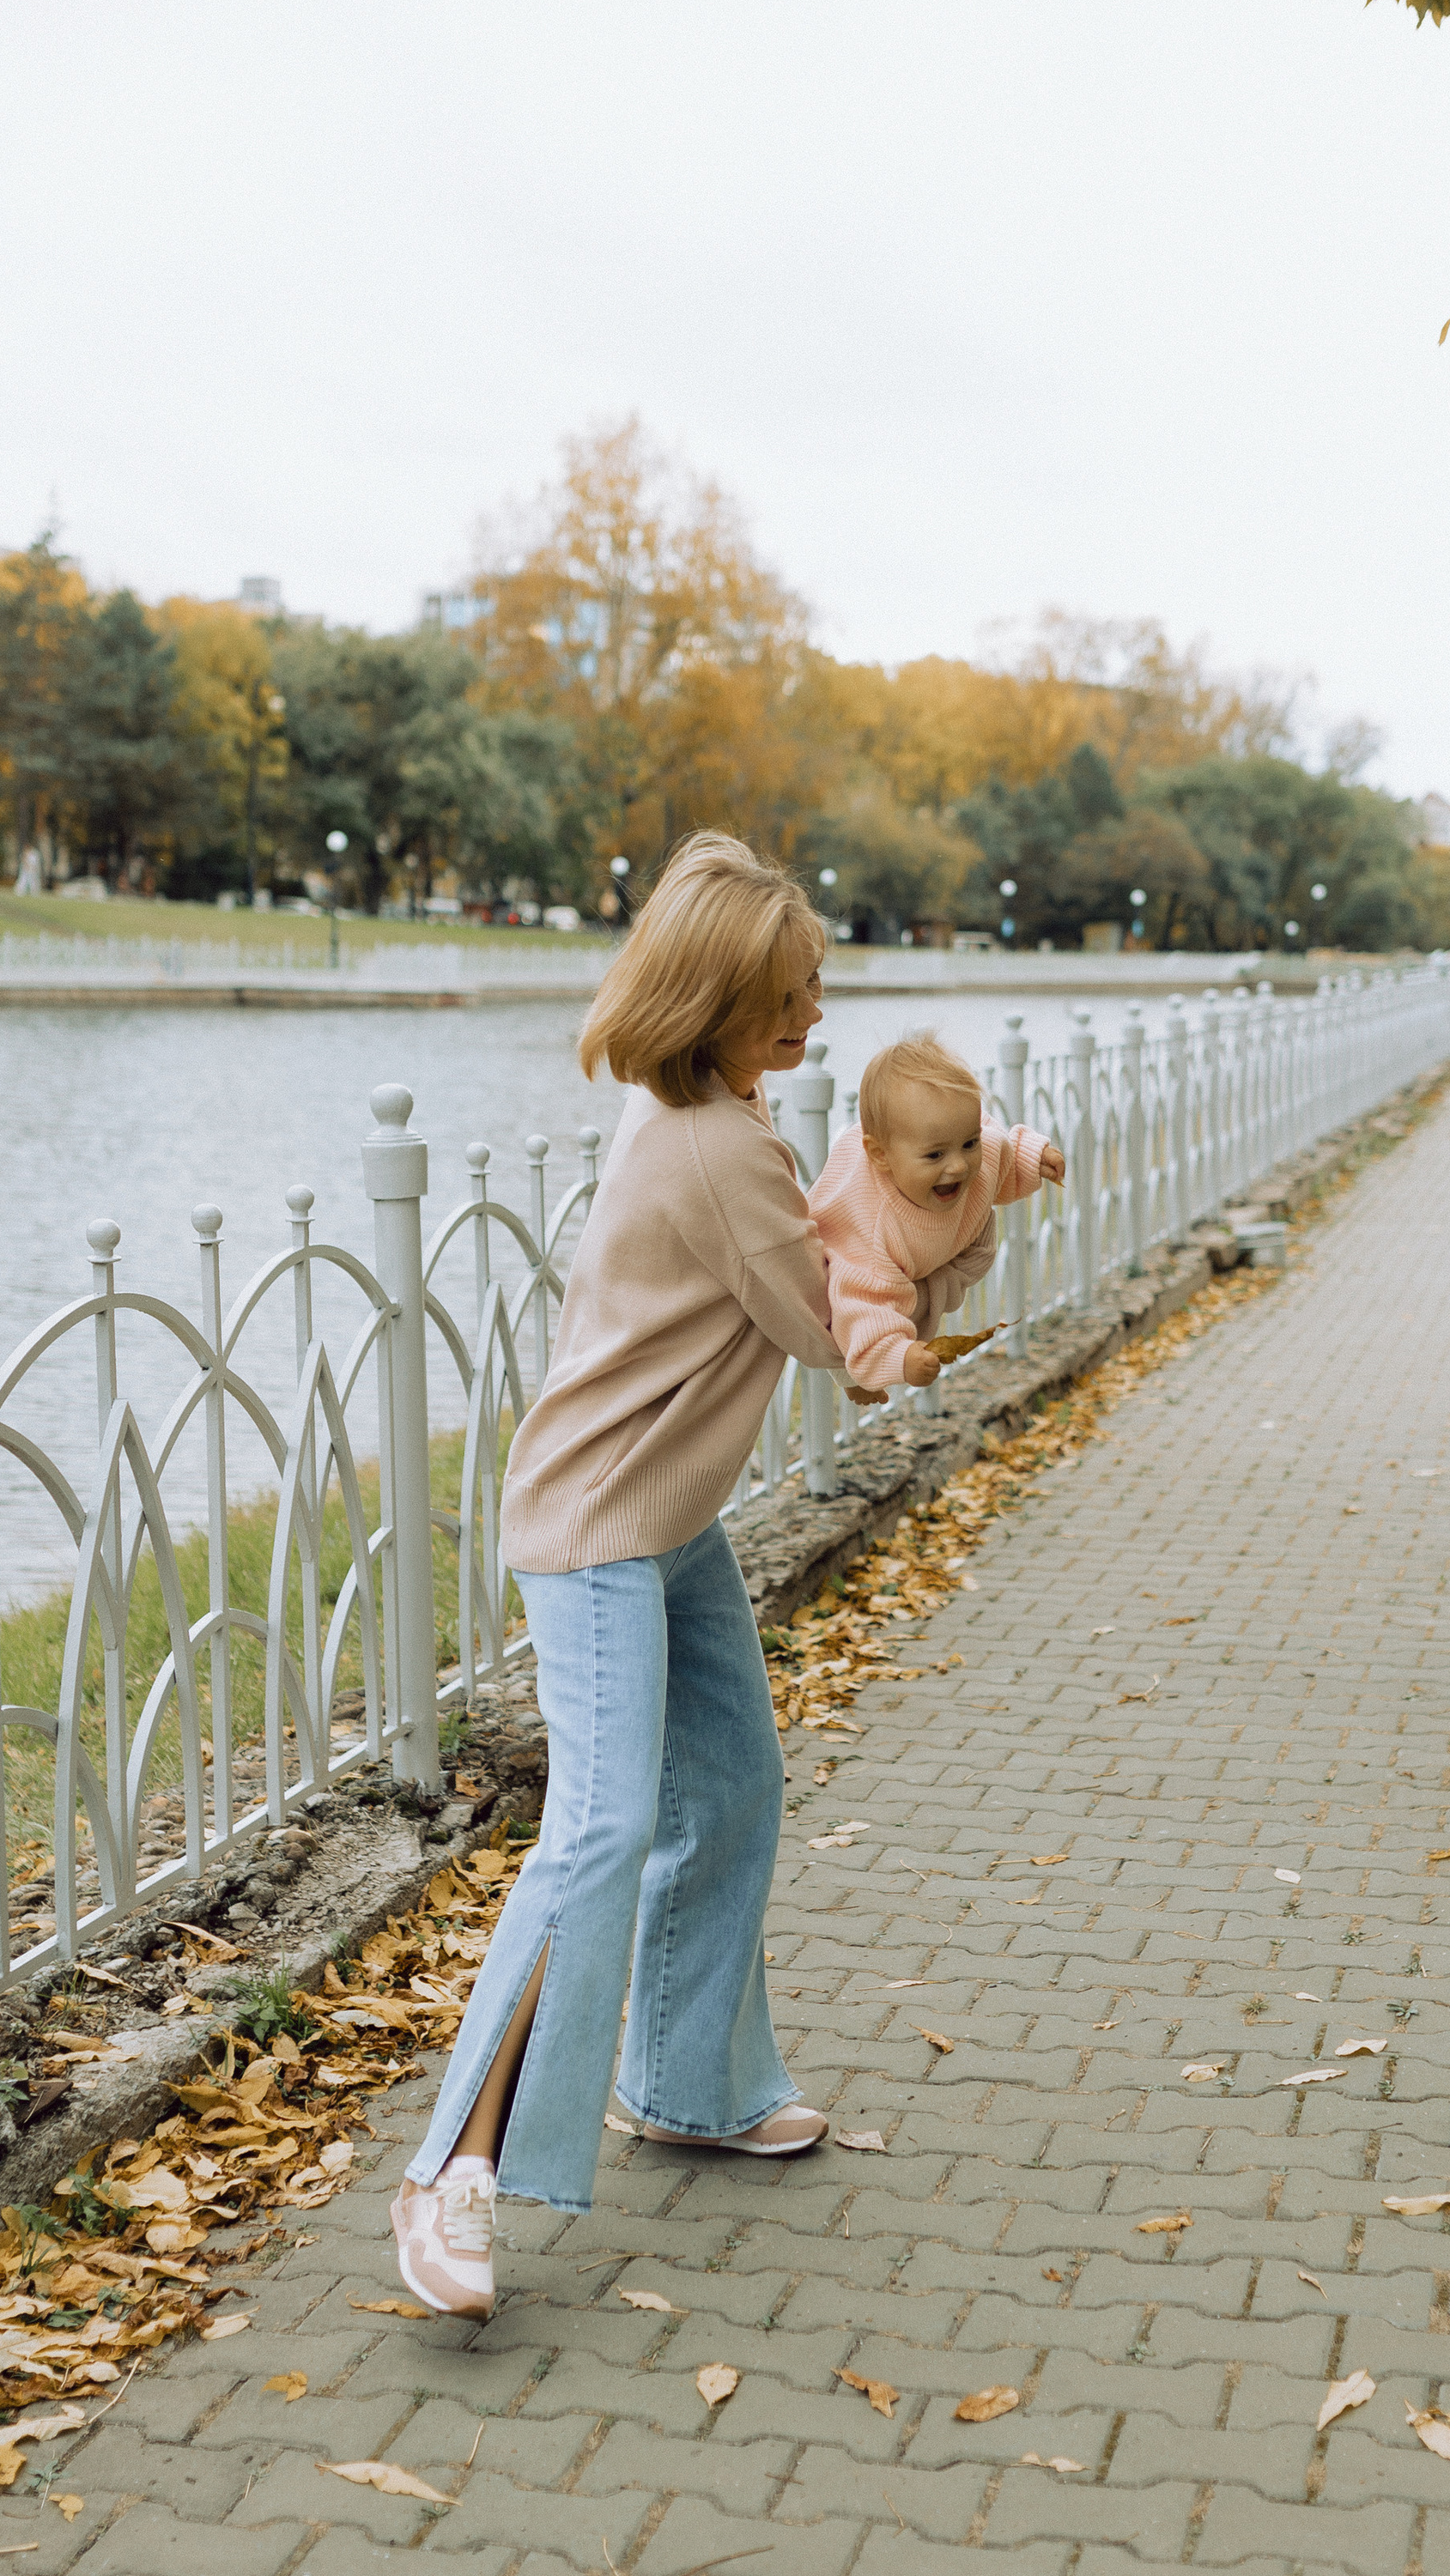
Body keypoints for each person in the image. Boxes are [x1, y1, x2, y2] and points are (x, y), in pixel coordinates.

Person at [390, 834, 985, 2318]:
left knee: (730, 1786)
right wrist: (958, 1216)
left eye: (817, 988)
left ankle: (683, 2086)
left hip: (662, 1517)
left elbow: (816, 1248)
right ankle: (448, 2174)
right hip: (599, 1529)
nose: (813, 1021)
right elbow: (834, 1329)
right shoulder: (725, 1150)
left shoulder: (702, 1109)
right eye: (787, 998)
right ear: (714, 1002)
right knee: (595, 1835)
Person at [809, 1030, 1062, 1394]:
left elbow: (998, 1145)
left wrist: (1034, 1158)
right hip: (851, 1272)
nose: (959, 1165)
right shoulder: (873, 1232)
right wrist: (897, 1357)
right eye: (935, 1155)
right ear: (881, 1156)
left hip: (939, 1249)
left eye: (968, 1143)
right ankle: (859, 1377)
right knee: (860, 1318)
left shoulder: (972, 1151)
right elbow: (860, 1304)